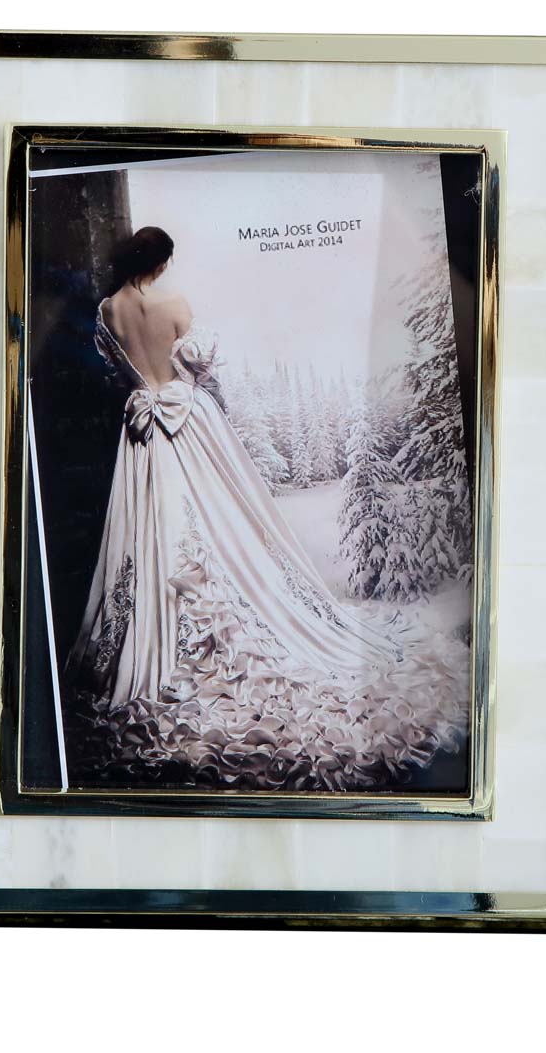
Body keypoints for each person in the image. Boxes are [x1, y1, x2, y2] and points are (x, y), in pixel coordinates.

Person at [64, 225, 466, 790]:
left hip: (142, 436)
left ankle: (152, 629)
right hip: (190, 424)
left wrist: (145, 384)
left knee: (150, 524)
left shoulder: (108, 310)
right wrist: (181, 378)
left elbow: (116, 373)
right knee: (225, 519)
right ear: (160, 263)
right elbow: (200, 371)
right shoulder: (175, 306)